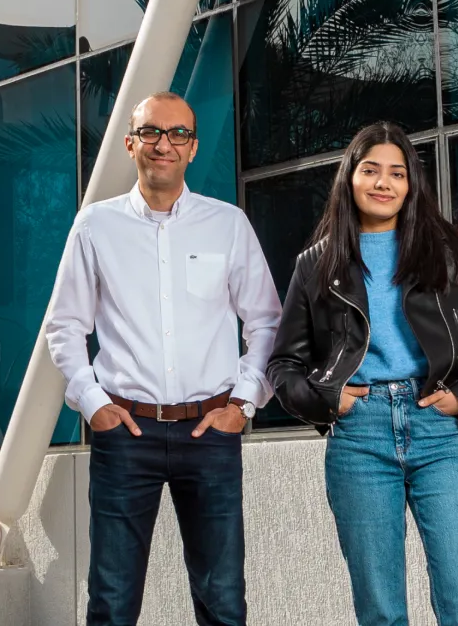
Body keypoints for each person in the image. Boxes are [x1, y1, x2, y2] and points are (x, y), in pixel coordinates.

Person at [45, 91, 282, 626]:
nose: (164, 144)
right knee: (111, 600)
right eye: (151, 132)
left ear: (193, 148)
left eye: (178, 134)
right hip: (125, 434)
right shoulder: (94, 226)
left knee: (223, 599)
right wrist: (93, 403)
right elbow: (63, 325)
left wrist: (243, 405)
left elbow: (267, 321)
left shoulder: (228, 224)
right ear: (130, 143)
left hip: (211, 431)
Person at [267, 122, 458, 626]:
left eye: (397, 173)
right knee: (381, 611)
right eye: (371, 170)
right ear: (350, 179)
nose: (384, 183)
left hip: (440, 431)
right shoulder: (316, 264)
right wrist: (326, 399)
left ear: (411, 183)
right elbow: (283, 363)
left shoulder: (446, 249)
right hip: (360, 436)